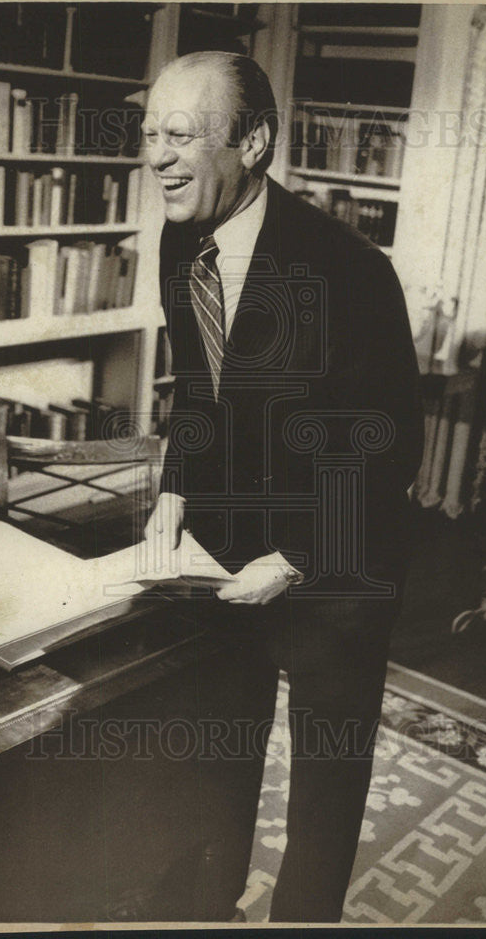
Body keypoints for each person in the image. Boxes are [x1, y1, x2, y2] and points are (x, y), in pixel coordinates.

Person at [141, 51, 423, 923]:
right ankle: (206, 906)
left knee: (327, 785)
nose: (156, 155)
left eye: (180, 134)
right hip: (224, 548)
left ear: (253, 142)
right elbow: (197, 385)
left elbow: (389, 447)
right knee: (217, 754)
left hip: (339, 567)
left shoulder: (351, 271)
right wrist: (177, 489)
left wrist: (295, 558)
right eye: (150, 133)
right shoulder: (178, 238)